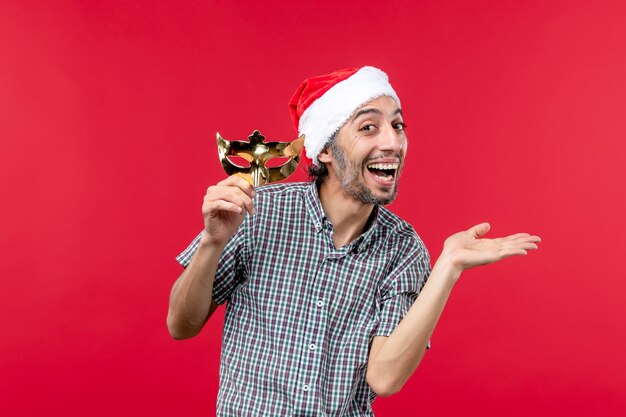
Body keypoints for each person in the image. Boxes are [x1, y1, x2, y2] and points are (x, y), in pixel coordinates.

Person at [167, 66, 540, 416]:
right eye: (368, 128)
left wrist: (447, 268)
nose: (392, 142)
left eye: (398, 125)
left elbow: (385, 378)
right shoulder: (256, 212)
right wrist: (212, 243)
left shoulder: (403, 250)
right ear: (325, 150)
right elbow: (180, 325)